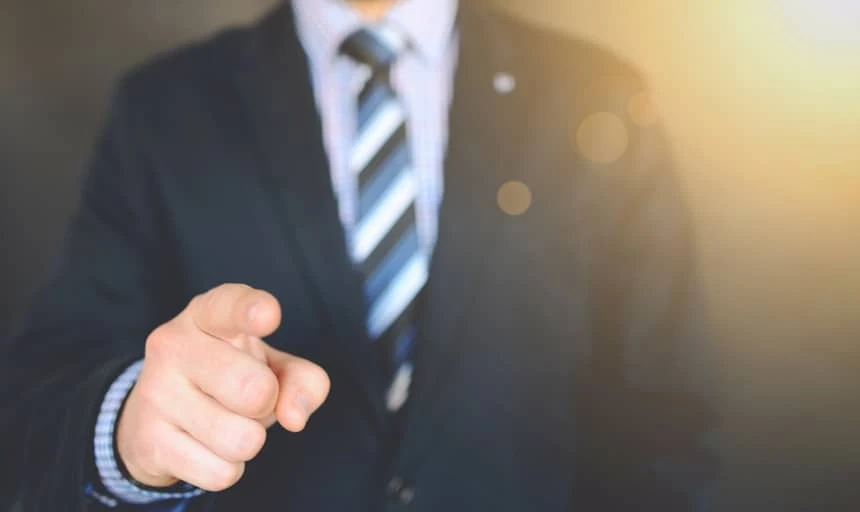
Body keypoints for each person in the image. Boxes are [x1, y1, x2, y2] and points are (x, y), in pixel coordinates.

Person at [0, 0, 719, 510]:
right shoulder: (165, 109)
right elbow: (43, 388)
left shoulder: (597, 94)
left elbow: (665, 416)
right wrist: (133, 427)